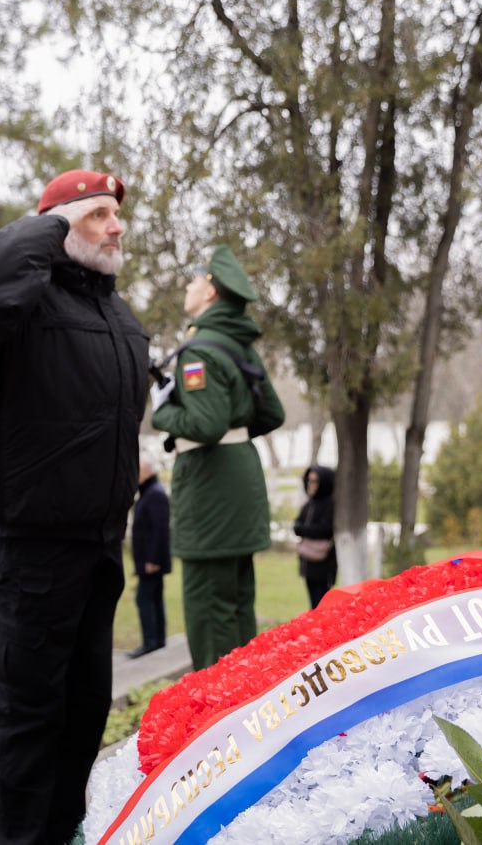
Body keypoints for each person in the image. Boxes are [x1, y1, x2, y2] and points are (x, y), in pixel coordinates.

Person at [0, 169, 148, 845]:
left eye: (117, 215)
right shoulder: (20, 301)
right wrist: (55, 221)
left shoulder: (114, 311)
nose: (115, 226)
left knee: (84, 710)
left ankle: (60, 833)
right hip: (32, 550)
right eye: (98, 215)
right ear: (57, 225)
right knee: (30, 718)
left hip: (98, 545)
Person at [150, 246, 285, 672]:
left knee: (209, 610)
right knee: (237, 606)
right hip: (240, 481)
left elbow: (206, 425)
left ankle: (217, 715)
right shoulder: (238, 344)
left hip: (211, 492)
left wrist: (162, 410)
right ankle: (249, 702)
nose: (188, 287)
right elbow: (272, 414)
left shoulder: (200, 350)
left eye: (194, 280)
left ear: (210, 291)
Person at [127, 457, 171, 659]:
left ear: (145, 472)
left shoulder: (154, 494)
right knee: (153, 598)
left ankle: (151, 642)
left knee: (145, 599)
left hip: (151, 562)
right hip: (149, 561)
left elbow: (159, 530)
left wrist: (153, 560)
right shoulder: (151, 492)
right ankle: (157, 640)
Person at [294, 465, 337, 609]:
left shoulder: (330, 504)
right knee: (313, 602)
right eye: (309, 481)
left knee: (322, 603)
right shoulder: (309, 503)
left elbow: (325, 530)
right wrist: (303, 529)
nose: (311, 485)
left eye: (315, 481)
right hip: (308, 561)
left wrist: (303, 529)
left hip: (323, 563)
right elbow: (297, 525)